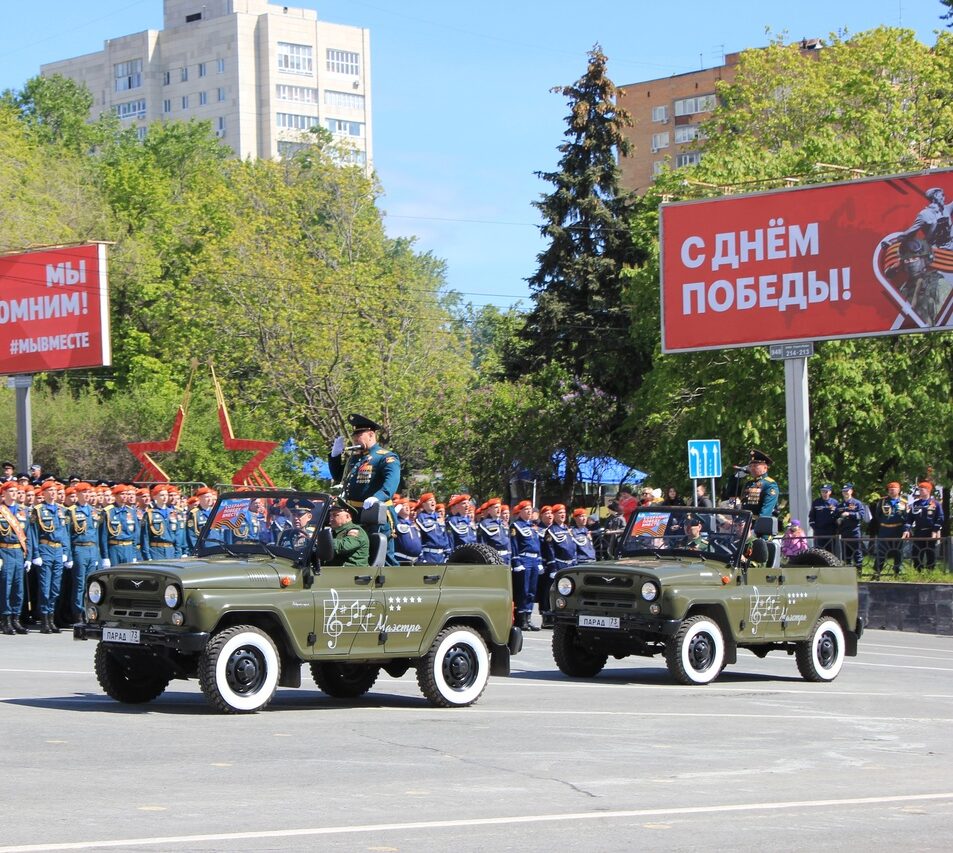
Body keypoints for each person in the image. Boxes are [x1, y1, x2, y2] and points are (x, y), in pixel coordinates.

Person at [328, 414, 400, 565]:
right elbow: (338, 476)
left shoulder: (385, 457)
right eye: (354, 435)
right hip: (354, 513)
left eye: (359, 435)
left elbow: (390, 486)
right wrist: (335, 456)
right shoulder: (355, 458)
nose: (355, 439)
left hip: (376, 513)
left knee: (382, 555)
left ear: (371, 435)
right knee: (357, 554)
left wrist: (377, 497)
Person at [28, 480, 69, 634]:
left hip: (58, 550)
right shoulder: (38, 510)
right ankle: (44, 619)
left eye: (55, 491)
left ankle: (51, 618)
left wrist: (66, 552)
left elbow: (64, 533)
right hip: (45, 548)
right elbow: (33, 534)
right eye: (49, 490)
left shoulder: (60, 510)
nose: (52, 493)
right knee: (45, 587)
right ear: (43, 493)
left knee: (55, 587)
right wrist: (36, 554)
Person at [63, 482, 101, 623]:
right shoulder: (71, 511)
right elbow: (67, 534)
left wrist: (97, 555)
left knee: (90, 583)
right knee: (79, 584)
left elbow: (95, 533)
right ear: (78, 494)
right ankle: (78, 614)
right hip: (79, 548)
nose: (86, 495)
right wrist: (69, 555)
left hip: (92, 549)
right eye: (83, 492)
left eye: (88, 492)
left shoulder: (94, 511)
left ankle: (89, 612)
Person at [896, 236, 951, 325]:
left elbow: (945, 319)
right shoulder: (903, 289)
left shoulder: (939, 284)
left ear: (925, 259)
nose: (911, 263)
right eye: (907, 260)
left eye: (915, 258)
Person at [0, 480, 32, 634]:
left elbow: (28, 536)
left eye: (16, 491)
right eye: (11, 491)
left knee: (18, 588)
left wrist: (29, 556)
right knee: (6, 586)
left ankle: (16, 619)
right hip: (4, 552)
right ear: (4, 493)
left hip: (19, 552)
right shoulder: (1, 511)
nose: (14, 494)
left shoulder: (22, 511)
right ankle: (5, 620)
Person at [539, 504, 575, 628]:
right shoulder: (551, 531)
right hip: (558, 564)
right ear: (554, 515)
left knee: (567, 591)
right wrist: (553, 567)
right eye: (559, 513)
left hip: (569, 564)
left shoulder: (567, 529)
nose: (563, 515)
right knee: (552, 591)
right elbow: (550, 550)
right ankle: (548, 617)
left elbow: (572, 548)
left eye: (564, 512)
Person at [509, 500, 541, 631]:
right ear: (520, 511)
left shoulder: (532, 528)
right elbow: (514, 545)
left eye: (530, 510)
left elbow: (537, 546)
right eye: (526, 509)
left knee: (532, 592)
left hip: (534, 560)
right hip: (524, 559)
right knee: (523, 590)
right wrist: (516, 562)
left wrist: (539, 562)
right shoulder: (516, 526)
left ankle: (528, 617)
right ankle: (521, 619)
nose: (529, 512)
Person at [871, 481, 910, 578]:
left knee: (898, 552)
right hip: (885, 530)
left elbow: (907, 517)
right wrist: (885, 522)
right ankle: (877, 572)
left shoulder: (904, 502)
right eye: (890, 490)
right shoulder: (883, 501)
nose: (892, 491)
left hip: (898, 530)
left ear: (899, 490)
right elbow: (878, 515)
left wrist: (906, 529)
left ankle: (897, 572)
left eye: (894, 489)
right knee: (881, 552)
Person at [909, 480, 944, 572]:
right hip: (918, 532)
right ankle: (918, 571)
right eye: (919, 490)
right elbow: (910, 518)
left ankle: (930, 572)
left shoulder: (935, 503)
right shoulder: (915, 504)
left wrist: (935, 530)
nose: (920, 491)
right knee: (916, 553)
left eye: (922, 490)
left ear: (928, 490)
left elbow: (940, 517)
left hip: (930, 532)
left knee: (930, 553)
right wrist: (907, 528)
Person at [140, 484, 179, 562]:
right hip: (156, 551)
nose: (165, 497)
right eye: (161, 495)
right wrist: (147, 556)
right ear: (154, 497)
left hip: (171, 551)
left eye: (166, 495)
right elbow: (145, 537)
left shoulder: (173, 513)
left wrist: (178, 553)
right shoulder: (150, 514)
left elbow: (177, 536)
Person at [835, 483, 866, 573]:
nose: (845, 493)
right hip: (843, 532)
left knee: (857, 552)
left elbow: (861, 515)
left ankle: (859, 571)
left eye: (847, 491)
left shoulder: (857, 503)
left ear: (851, 491)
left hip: (854, 532)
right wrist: (837, 520)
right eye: (843, 491)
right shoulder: (840, 505)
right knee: (845, 553)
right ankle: (847, 572)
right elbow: (836, 516)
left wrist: (849, 514)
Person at [740, 449, 779, 519]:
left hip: (761, 525)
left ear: (765, 468)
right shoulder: (749, 483)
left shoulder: (769, 484)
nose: (752, 468)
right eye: (750, 466)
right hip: (746, 525)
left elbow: (767, 510)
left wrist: (759, 526)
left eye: (755, 466)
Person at [414, 493, 449, 564]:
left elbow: (444, 535)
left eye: (434, 500)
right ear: (424, 504)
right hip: (428, 555)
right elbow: (418, 538)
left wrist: (447, 552)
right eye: (430, 500)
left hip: (441, 556)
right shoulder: (421, 518)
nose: (433, 502)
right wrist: (421, 556)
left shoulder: (439, 517)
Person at [477, 498, 511, 564]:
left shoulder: (504, 523)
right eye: (496, 507)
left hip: (506, 557)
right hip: (494, 557)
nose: (498, 509)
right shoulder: (484, 524)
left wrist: (509, 557)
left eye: (499, 507)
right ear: (489, 510)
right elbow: (482, 543)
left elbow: (508, 542)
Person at [809, 484, 839, 553]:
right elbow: (812, 516)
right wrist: (815, 527)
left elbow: (838, 516)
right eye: (822, 491)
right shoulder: (816, 502)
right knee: (819, 552)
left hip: (831, 531)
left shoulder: (835, 502)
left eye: (826, 491)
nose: (824, 493)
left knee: (831, 551)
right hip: (819, 531)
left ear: (830, 492)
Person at [393, 499, 422, 565]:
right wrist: (395, 511)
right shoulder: (397, 522)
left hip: (415, 561)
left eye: (407, 506)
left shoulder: (413, 524)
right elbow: (391, 520)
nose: (407, 507)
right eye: (403, 506)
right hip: (401, 560)